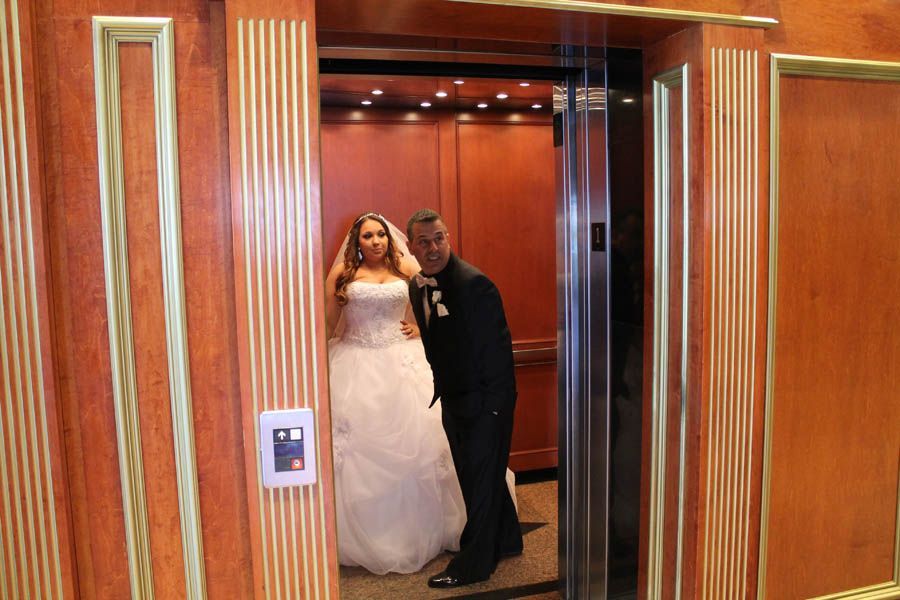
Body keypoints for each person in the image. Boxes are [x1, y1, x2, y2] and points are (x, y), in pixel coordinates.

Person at [325, 212, 466, 574]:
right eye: (368, 236)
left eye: (381, 235)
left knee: (424, 439)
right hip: (355, 361)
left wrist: (422, 328)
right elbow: (327, 322)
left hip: (403, 358)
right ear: (357, 241)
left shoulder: (407, 267)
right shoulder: (343, 275)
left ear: (390, 239)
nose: (375, 241)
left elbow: (435, 300)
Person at [406, 208, 523, 589]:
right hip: (454, 399)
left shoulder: (475, 284)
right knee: (478, 476)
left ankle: (473, 565)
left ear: (448, 237)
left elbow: (498, 352)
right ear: (412, 246)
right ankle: (507, 539)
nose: (433, 247)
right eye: (423, 241)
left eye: (439, 237)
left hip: (487, 402)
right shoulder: (416, 285)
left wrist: (494, 408)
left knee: (480, 481)